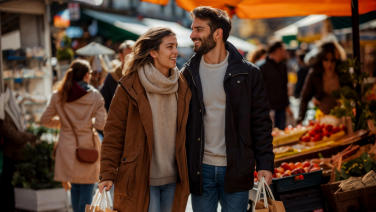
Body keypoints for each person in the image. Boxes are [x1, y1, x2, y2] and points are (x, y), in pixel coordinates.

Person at [181, 6, 274, 212]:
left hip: (237, 167)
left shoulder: (249, 74)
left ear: (218, 33)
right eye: (193, 29)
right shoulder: (187, 74)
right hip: (200, 169)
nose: (192, 34)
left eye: (199, 29)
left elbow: (260, 122)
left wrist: (265, 163)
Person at [98, 27, 191, 212]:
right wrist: (107, 172)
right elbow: (114, 131)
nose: (176, 52)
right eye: (170, 46)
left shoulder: (182, 85)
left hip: (175, 178)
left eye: (176, 46)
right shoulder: (129, 85)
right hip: (140, 177)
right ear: (153, 52)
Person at [40, 59, 106, 212]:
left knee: (74, 187)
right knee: (87, 189)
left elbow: (45, 120)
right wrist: (87, 122)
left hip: (66, 148)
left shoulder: (58, 95)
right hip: (87, 147)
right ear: (86, 76)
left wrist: (65, 123)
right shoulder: (95, 96)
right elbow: (101, 125)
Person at [0, 86, 36, 212]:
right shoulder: (4, 112)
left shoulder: (10, 110)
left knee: (12, 183)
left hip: (17, 151)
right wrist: (27, 136)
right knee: (8, 184)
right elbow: (8, 132)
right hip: (10, 152)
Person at [297, 42, 348, 124]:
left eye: (332, 60)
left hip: (342, 117)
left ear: (337, 60)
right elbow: (305, 96)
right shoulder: (314, 73)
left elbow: (352, 93)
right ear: (321, 59)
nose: (329, 64)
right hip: (322, 118)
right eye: (326, 59)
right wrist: (300, 119)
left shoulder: (343, 73)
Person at [257, 40, 290, 130]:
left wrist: (287, 104)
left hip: (281, 108)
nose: (285, 52)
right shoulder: (261, 67)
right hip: (267, 110)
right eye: (283, 49)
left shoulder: (283, 66)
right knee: (268, 137)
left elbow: (284, 87)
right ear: (278, 50)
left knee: (281, 135)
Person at [101, 40, 135, 112]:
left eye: (134, 56)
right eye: (128, 57)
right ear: (121, 57)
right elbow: (105, 104)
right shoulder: (112, 76)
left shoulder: (142, 75)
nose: (132, 60)